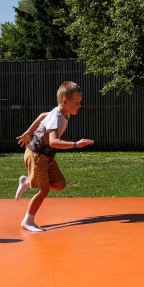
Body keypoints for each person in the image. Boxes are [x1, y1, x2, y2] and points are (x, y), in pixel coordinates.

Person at [15, 81, 94, 232]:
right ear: (65, 101)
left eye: (80, 102)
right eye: (76, 102)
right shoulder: (57, 116)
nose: (79, 105)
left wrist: (29, 131)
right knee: (44, 190)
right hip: (36, 155)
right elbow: (53, 142)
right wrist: (76, 144)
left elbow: (42, 115)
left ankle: (28, 181)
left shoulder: (63, 112)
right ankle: (27, 220)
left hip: (46, 156)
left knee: (60, 184)